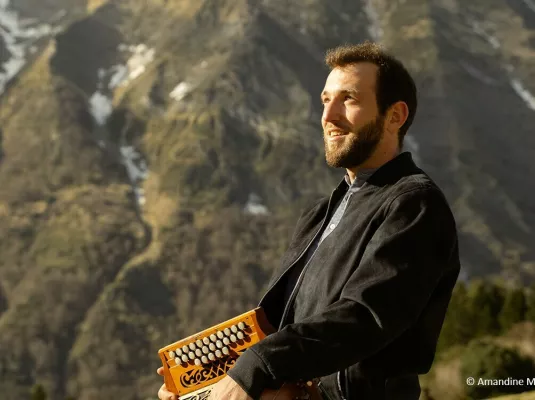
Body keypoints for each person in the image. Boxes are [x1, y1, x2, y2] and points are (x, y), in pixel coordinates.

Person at [157, 41, 461, 400]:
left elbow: (366, 317)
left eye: (348, 99)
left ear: (394, 115)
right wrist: (201, 387)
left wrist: (256, 368)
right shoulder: (321, 213)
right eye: (324, 100)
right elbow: (279, 325)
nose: (328, 116)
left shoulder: (414, 203)